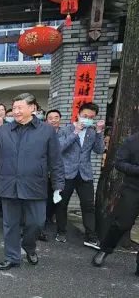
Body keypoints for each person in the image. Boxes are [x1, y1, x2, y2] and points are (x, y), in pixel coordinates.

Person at [0, 93, 64, 270]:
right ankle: (12, 257)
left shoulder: (46, 131)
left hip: (35, 184)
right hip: (9, 185)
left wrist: (58, 185)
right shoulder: (5, 130)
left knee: (37, 222)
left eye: (19, 108)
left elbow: (56, 160)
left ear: (33, 108)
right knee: (10, 224)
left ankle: (29, 246)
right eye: (13, 108)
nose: (15, 111)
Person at [56, 102, 104, 248]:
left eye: (91, 117)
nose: (88, 119)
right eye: (85, 116)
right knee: (62, 204)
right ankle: (61, 231)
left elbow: (99, 150)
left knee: (88, 206)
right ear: (78, 115)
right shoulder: (66, 130)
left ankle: (90, 236)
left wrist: (100, 133)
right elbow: (59, 148)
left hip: (85, 174)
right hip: (67, 173)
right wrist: (75, 133)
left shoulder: (92, 131)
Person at [91, 132, 139, 275]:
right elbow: (119, 163)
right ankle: (105, 249)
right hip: (133, 188)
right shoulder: (132, 141)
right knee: (122, 223)